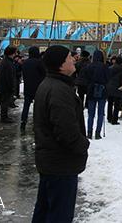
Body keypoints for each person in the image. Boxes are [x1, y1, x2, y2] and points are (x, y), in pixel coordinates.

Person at [32, 45, 88, 223]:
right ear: (61, 64)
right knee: (59, 214)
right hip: (60, 163)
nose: (73, 59)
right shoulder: (59, 90)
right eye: (70, 57)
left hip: (51, 161)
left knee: (45, 209)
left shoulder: (51, 84)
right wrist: (83, 144)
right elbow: (66, 131)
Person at [81, 50, 108, 140]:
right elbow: (108, 79)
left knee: (91, 114)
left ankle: (89, 132)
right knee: (101, 113)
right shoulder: (104, 67)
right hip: (102, 91)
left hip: (91, 91)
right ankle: (97, 133)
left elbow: (85, 78)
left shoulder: (89, 66)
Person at [21, 46, 46, 131]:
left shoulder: (25, 62)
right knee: (37, 106)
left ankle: (23, 121)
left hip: (27, 87)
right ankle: (36, 123)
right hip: (38, 87)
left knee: (26, 105)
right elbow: (44, 74)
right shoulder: (39, 62)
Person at [0, 46, 18, 123]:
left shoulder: (6, 61)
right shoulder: (8, 62)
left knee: (5, 101)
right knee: (5, 102)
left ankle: (5, 116)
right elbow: (9, 76)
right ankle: (4, 117)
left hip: (4, 85)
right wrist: (12, 86)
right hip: (6, 86)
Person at [106, 56, 122, 125]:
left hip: (109, 87)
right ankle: (114, 119)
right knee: (117, 105)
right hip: (118, 88)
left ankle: (109, 117)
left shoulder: (110, 68)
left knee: (110, 103)